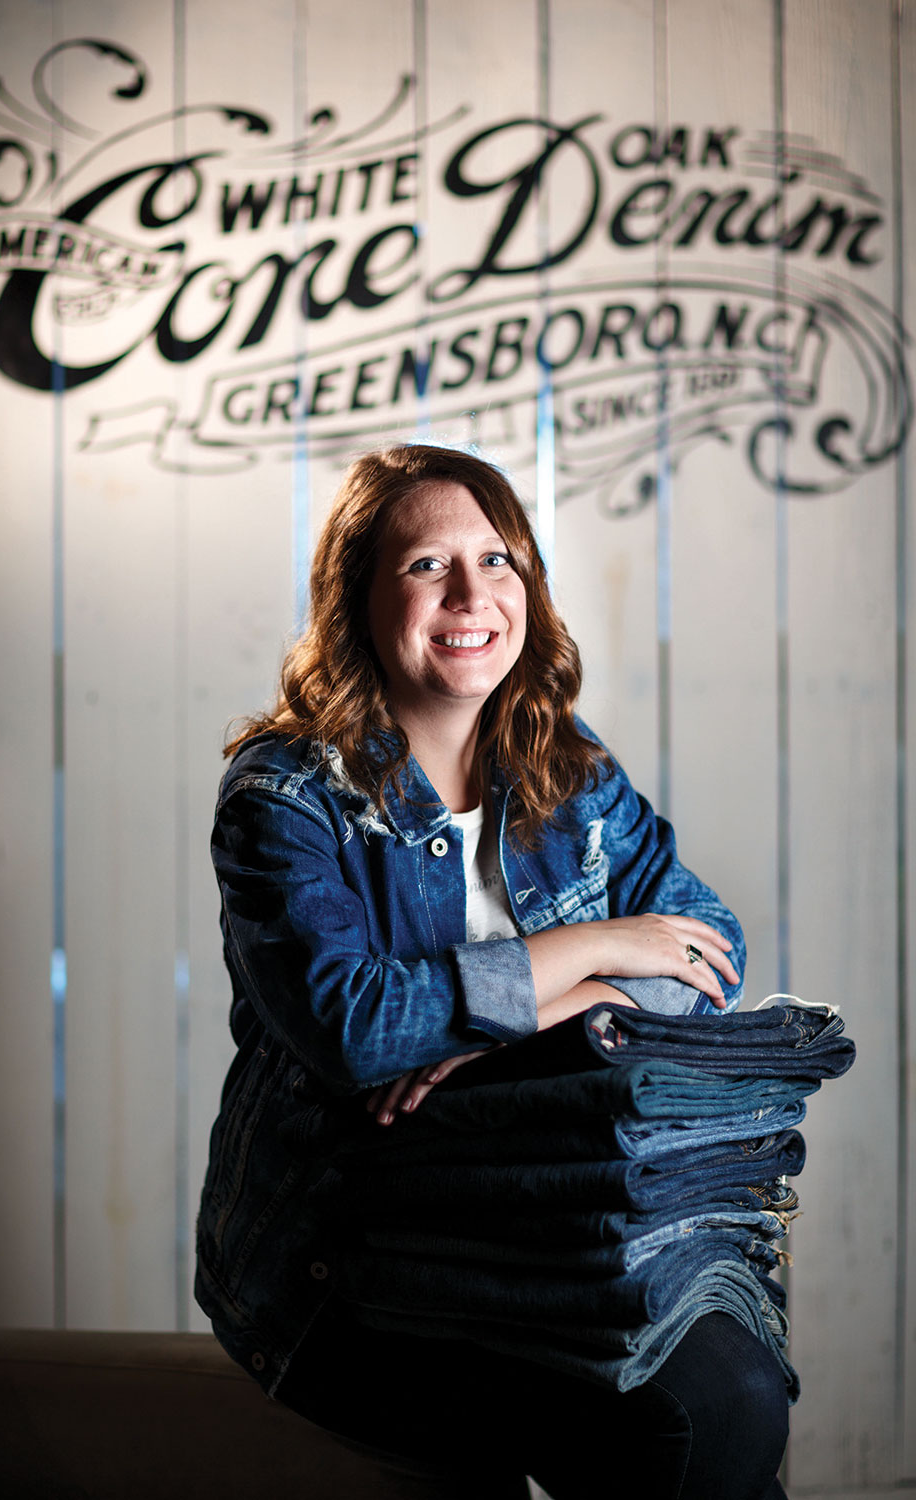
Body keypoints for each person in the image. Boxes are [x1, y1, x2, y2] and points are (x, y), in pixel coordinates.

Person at [195, 444, 790, 1499]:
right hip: (350, 1268)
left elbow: (707, 949)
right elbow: (359, 1031)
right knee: (678, 1426)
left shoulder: (563, 764)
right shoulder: (284, 800)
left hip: (550, 1230)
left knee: (737, 1388)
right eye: (428, 565)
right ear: (357, 595)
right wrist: (595, 950)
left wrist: (517, 1024)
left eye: (497, 559)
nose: (471, 594)